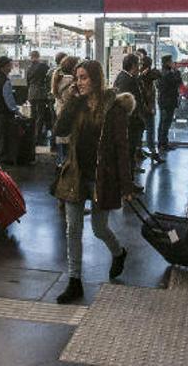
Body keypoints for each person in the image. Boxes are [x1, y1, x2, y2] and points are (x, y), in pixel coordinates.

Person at [52, 60, 135, 304]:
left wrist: (127, 185)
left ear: (96, 79)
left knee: (99, 229)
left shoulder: (114, 108)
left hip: (101, 178)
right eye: (77, 77)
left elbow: (122, 148)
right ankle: (74, 280)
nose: (79, 82)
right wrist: (72, 101)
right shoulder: (76, 105)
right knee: (73, 229)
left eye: (84, 77)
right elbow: (59, 130)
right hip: (76, 175)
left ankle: (118, 252)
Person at [113, 53, 146, 179]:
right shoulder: (126, 80)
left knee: (130, 155)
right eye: (138, 64)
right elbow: (126, 105)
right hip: (130, 124)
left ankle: (130, 183)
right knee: (128, 154)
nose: (140, 67)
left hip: (132, 123)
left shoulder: (126, 78)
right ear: (133, 65)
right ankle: (128, 185)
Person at [0, 56, 21, 164]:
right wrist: (16, 111)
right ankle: (3, 159)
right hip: (3, 113)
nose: (11, 67)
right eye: (9, 65)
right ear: (4, 66)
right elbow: (8, 99)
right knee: (3, 136)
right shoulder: (5, 81)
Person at [52, 55, 81, 167]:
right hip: (70, 114)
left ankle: (60, 163)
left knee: (61, 141)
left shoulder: (57, 78)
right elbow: (75, 99)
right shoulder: (72, 82)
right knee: (70, 142)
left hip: (60, 112)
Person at [139, 55, 163, 163]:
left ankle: (150, 152)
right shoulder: (141, 78)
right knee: (149, 131)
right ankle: (151, 152)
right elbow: (142, 95)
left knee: (147, 132)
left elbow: (158, 74)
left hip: (147, 107)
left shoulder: (147, 75)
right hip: (146, 108)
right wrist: (149, 108)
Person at [156, 55, 182, 154]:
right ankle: (163, 144)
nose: (173, 63)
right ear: (167, 62)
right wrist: (177, 71)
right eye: (171, 61)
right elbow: (178, 82)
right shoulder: (168, 74)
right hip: (168, 102)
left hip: (164, 101)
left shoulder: (162, 72)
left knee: (163, 123)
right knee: (165, 123)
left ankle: (162, 143)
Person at [26, 50, 50, 145]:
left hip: (31, 92)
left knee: (33, 115)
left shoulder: (29, 68)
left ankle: (31, 136)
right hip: (41, 93)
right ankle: (38, 137)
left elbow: (27, 82)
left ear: (31, 57)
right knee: (40, 116)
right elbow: (48, 79)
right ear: (38, 56)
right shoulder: (43, 66)